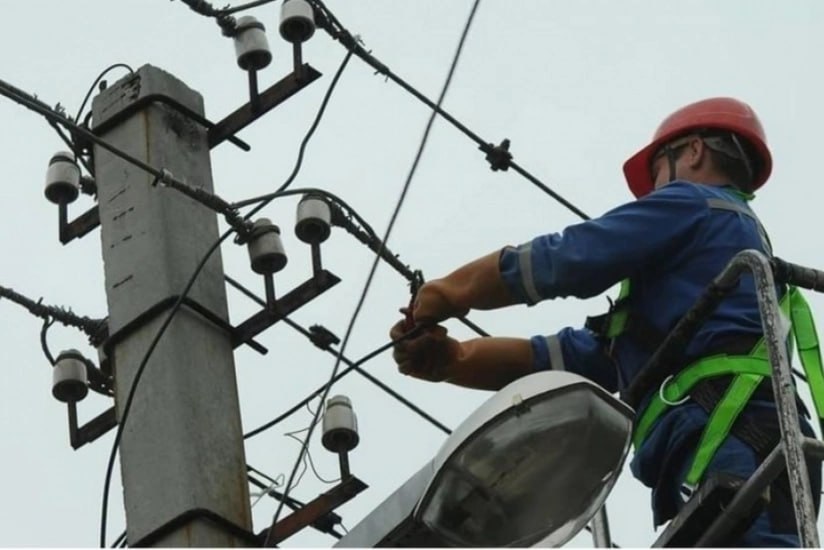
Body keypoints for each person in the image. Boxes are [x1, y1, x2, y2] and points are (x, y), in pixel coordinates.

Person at [389, 97, 823, 546]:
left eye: (656, 171)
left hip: (729, 429)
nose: (653, 191)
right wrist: (455, 359)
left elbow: (571, 258)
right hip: (743, 437)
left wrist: (450, 292)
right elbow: (567, 360)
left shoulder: (693, 203)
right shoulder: (695, 278)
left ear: (693, 151)